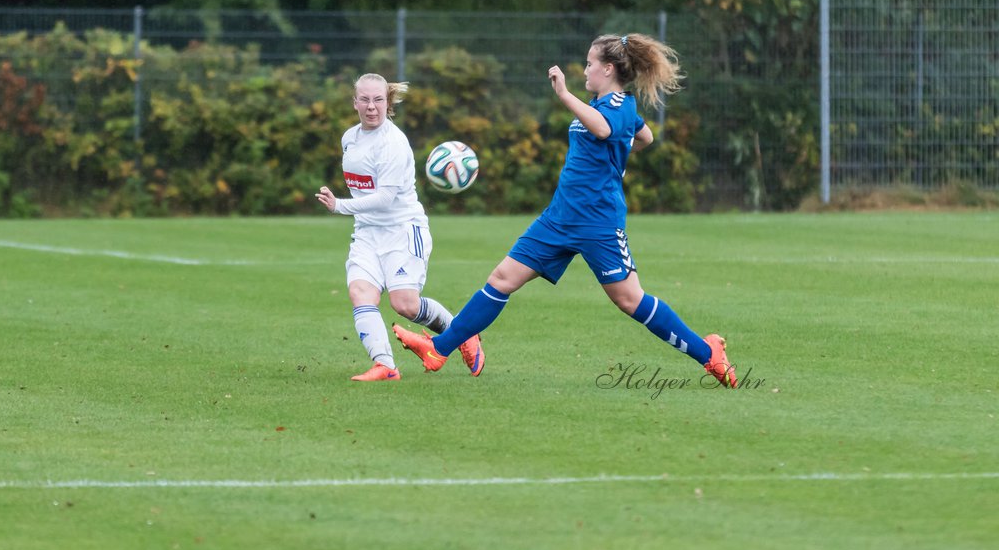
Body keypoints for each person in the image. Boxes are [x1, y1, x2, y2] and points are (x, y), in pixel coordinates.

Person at [393, 34, 737, 388]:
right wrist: (620, 149)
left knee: (630, 300)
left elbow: (606, 130)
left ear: (607, 69)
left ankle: (708, 355)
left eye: (589, 64)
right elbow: (644, 137)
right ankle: (438, 350)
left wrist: (565, 96)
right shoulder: (601, 104)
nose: (585, 70)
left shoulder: (618, 105)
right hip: (559, 218)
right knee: (502, 279)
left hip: (597, 223)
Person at [316, 73, 484, 382]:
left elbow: (384, 198)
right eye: (364, 100)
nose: (371, 107)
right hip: (367, 232)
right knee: (360, 292)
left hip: (403, 230)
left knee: (404, 305)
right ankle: (385, 366)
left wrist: (339, 206)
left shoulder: (393, 143)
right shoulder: (349, 138)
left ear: (388, 102)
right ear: (355, 103)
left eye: (378, 99)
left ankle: (463, 334)